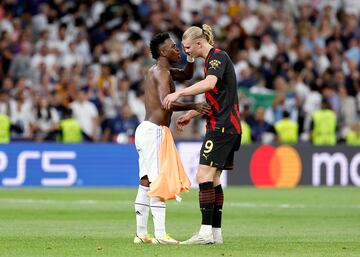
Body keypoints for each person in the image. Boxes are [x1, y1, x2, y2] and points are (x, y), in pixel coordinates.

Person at [163, 24, 242, 244]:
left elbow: (210, 83)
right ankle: (215, 234)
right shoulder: (211, 61)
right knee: (214, 178)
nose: (186, 51)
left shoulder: (217, 57)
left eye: (187, 47)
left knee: (202, 176)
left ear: (199, 43)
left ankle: (205, 232)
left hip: (222, 126)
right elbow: (215, 95)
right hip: (226, 125)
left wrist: (181, 93)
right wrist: (190, 113)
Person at [134, 32, 211, 245]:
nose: (178, 49)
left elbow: (186, 74)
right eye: (173, 47)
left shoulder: (163, 70)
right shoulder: (160, 73)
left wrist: (191, 56)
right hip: (154, 131)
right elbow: (166, 102)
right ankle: (160, 234)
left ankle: (141, 234)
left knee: (146, 182)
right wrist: (194, 105)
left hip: (147, 130)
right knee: (158, 181)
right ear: (162, 52)